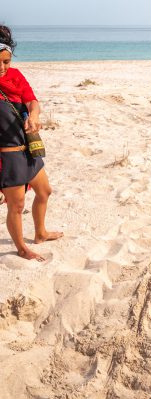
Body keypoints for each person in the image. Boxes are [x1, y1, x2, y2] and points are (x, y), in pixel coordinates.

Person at [0, 25, 63, 261]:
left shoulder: (14, 76)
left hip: (29, 150)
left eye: (6, 61)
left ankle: (40, 233)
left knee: (45, 191)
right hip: (7, 157)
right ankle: (22, 248)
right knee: (16, 206)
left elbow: (31, 101)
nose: (2, 68)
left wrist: (34, 116)